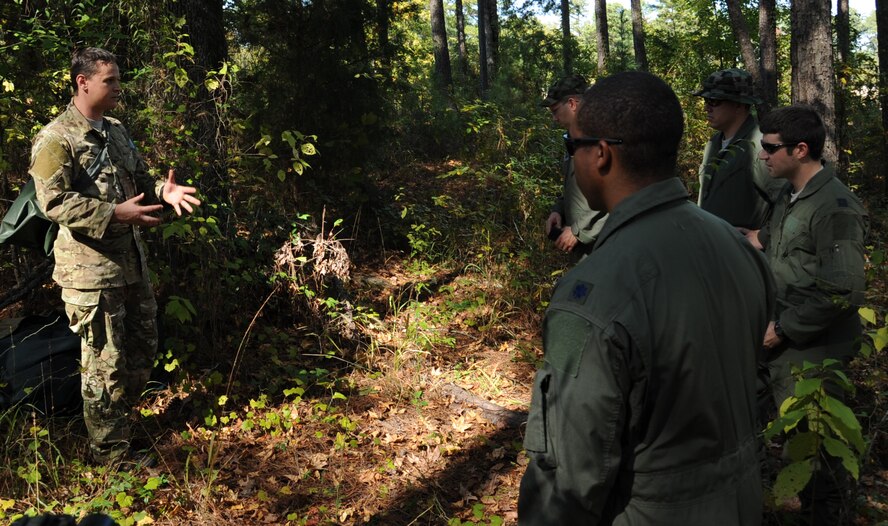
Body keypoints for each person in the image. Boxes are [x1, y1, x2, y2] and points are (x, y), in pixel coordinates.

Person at [518, 71, 775, 525]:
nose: (571, 156)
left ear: (601, 154)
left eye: (572, 146)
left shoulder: (594, 293)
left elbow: (570, 478)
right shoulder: (736, 247)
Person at [30, 47, 201, 463]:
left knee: (142, 348)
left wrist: (163, 190)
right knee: (103, 366)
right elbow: (52, 202)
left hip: (131, 264)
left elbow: (140, 178)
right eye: (110, 81)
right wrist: (112, 213)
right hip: (91, 273)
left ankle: (119, 425)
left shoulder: (116, 130)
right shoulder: (56, 138)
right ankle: (110, 455)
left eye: (118, 79)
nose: (119, 88)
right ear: (83, 82)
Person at [744, 106, 868, 525]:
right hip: (777, 338)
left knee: (815, 455)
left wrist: (782, 329)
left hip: (812, 351)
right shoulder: (789, 195)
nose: (763, 155)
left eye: (770, 147)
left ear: (799, 150)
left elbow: (843, 291)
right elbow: (770, 239)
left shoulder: (835, 207)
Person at [694, 68, 781, 229]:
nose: (707, 108)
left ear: (739, 105)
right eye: (706, 101)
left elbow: (790, 201)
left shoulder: (759, 146)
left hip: (740, 245)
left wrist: (764, 236)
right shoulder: (713, 144)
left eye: (714, 101)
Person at [540, 75, 607, 257]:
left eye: (555, 111)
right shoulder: (573, 138)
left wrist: (579, 230)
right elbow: (575, 185)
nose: (554, 118)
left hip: (604, 245)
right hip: (583, 246)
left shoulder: (603, 138)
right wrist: (559, 210)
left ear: (572, 104)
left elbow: (617, 194)